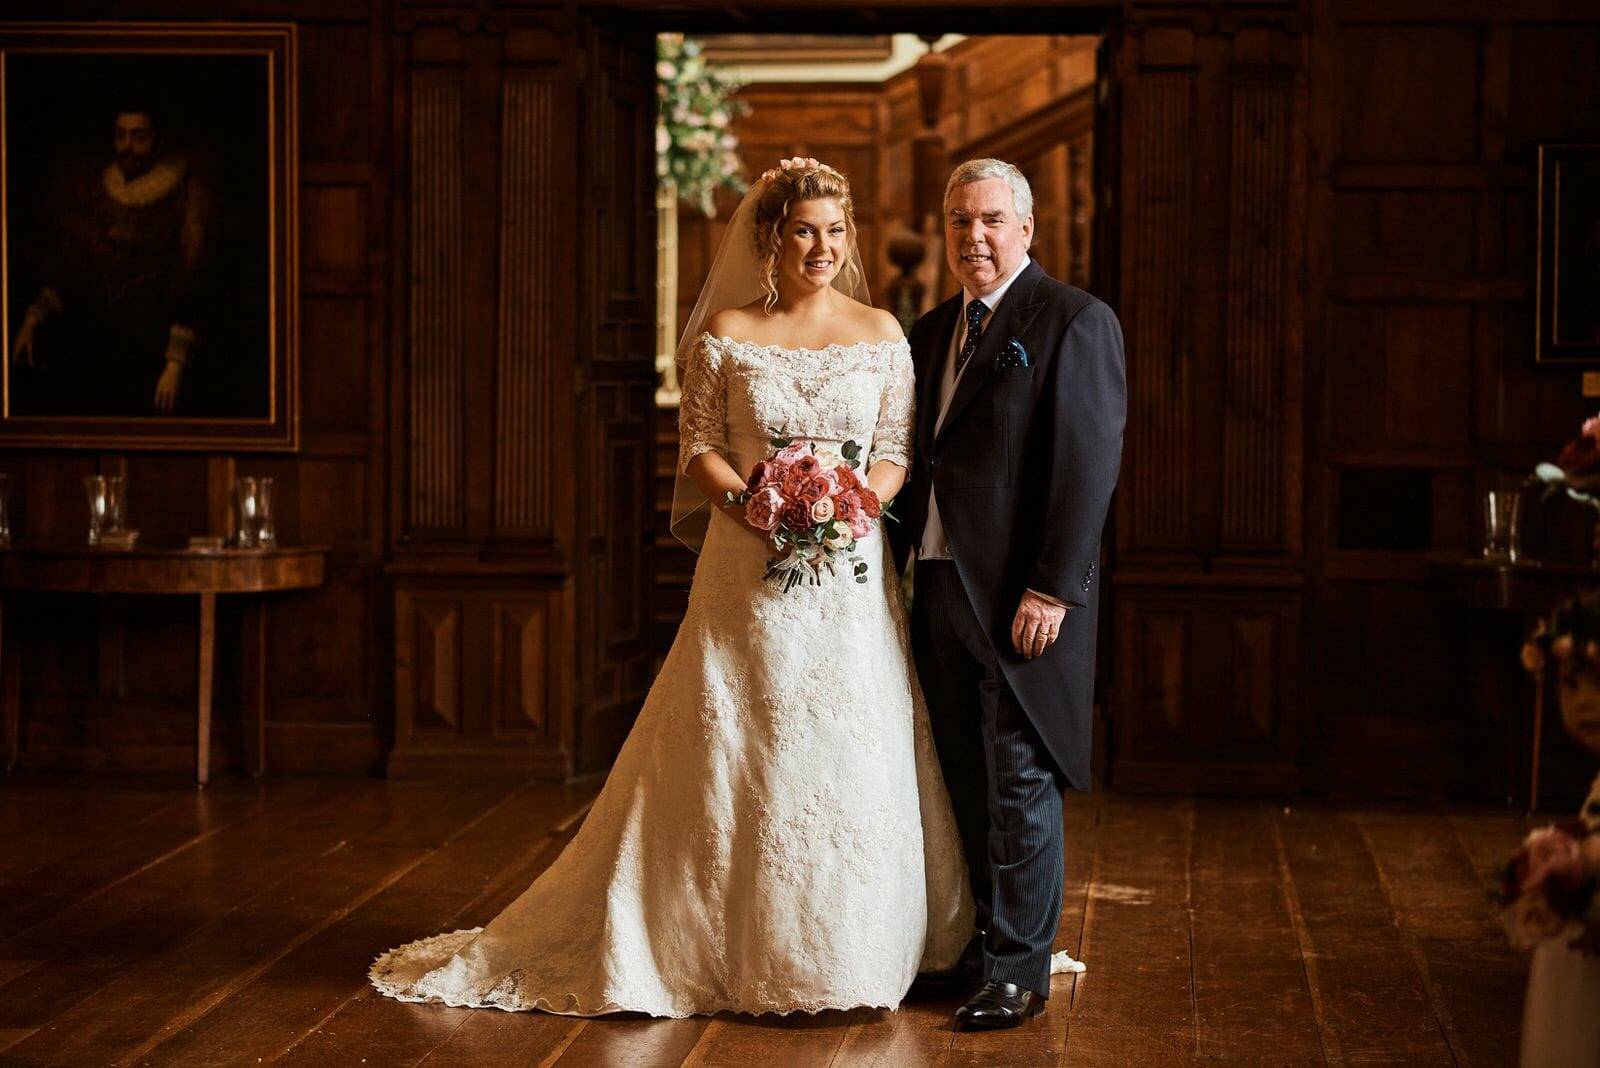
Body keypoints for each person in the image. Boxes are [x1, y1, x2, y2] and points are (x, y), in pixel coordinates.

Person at [370, 158, 974, 1017]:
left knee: (851, 739)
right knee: (739, 739)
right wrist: (759, 501)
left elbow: (894, 452)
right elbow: (698, 447)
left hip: (845, 575)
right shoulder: (727, 330)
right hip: (745, 565)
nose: (821, 247)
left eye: (836, 233)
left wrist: (845, 506)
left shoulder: (882, 332)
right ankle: (705, 944)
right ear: (772, 237)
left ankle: (860, 948)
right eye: (804, 230)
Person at [890, 158, 1126, 1030]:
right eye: (959, 221)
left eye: (991, 220)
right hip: (940, 586)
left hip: (1024, 599)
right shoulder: (926, 331)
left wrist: (1053, 590)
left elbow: (1087, 465)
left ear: (1028, 228)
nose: (973, 238)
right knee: (960, 779)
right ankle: (977, 951)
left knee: (1020, 777)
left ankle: (1020, 973)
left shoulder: (1073, 321)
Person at [8, 106, 209, 416]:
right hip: (93, 341)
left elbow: (192, 276)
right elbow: (73, 264)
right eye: (120, 136)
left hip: (152, 347)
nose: (127, 146)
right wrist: (34, 317)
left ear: (158, 141)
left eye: (138, 136)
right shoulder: (99, 187)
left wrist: (174, 365)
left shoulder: (184, 193)